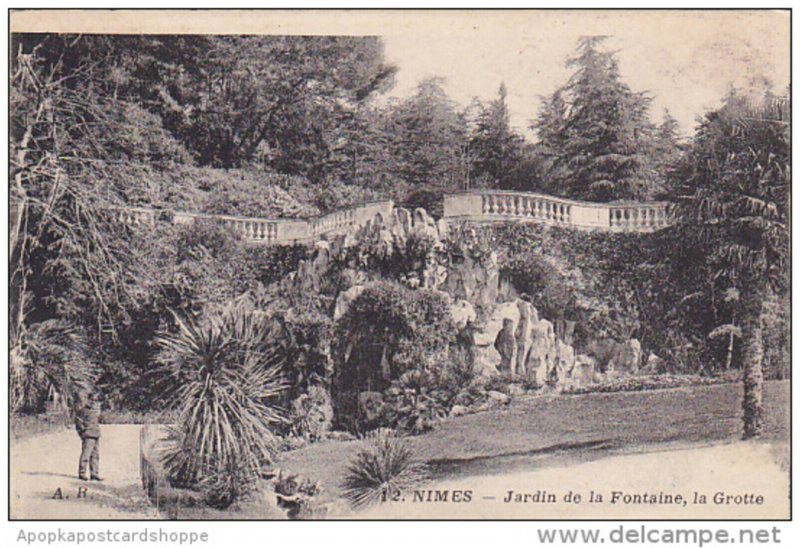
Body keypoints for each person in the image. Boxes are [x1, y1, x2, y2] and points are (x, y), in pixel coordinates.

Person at [74, 390, 103, 481]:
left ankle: (94, 474)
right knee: (86, 455)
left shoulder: (95, 411)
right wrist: (82, 432)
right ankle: (82, 473)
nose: (93, 402)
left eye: (95, 400)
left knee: (95, 456)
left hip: (96, 434)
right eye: (92, 400)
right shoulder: (83, 411)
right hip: (88, 435)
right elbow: (78, 422)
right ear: (88, 400)